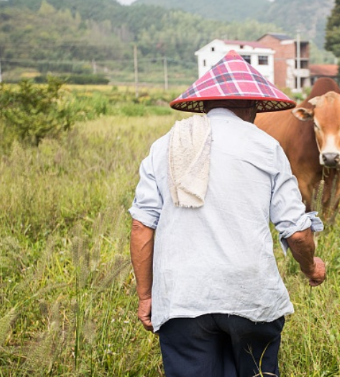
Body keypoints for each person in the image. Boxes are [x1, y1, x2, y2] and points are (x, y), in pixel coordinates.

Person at [128, 50, 327, 377]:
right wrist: (311, 267)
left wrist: (146, 296)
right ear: (252, 106)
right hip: (250, 298)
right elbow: (298, 232)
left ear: (203, 105)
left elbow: (141, 227)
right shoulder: (265, 147)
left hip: (181, 300)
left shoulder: (164, 146)